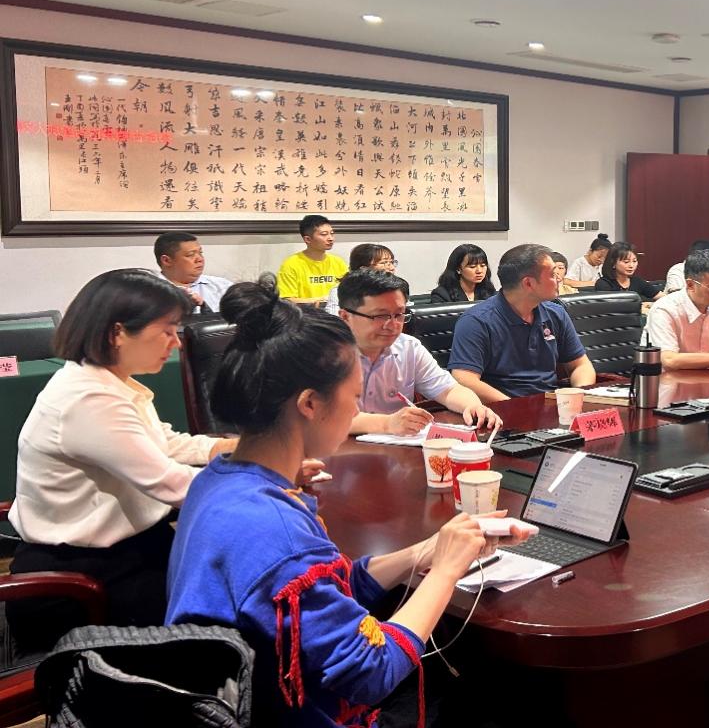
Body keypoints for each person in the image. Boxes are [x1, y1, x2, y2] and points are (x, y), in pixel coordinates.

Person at [165, 280, 533, 727]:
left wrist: (425, 551)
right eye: (354, 397)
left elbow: (331, 588)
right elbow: (371, 672)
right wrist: (446, 572)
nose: (357, 409)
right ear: (309, 404)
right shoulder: (274, 528)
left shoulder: (219, 480)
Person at [6, 269, 239, 653]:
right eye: (167, 331)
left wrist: (235, 449)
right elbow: (170, 483)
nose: (176, 343)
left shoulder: (107, 382)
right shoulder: (89, 399)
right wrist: (262, 476)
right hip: (82, 580)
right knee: (226, 612)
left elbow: (165, 443)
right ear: (117, 333)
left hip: (126, 550)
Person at [337, 268, 500, 435]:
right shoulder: (325, 354)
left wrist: (473, 406)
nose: (393, 325)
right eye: (381, 316)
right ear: (345, 317)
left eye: (399, 314)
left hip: (398, 445)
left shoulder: (408, 347)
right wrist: (387, 424)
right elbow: (325, 418)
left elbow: (448, 390)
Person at [448, 243, 596, 403]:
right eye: (552, 274)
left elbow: (580, 365)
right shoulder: (476, 321)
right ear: (528, 283)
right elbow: (464, 379)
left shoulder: (556, 313)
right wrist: (515, 406)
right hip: (502, 408)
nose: (559, 279)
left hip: (552, 404)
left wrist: (578, 394)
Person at [276, 214, 348, 305]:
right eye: (324, 234)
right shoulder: (291, 264)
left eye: (332, 233)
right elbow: (286, 300)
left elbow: (349, 293)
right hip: (305, 313)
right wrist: (319, 301)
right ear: (308, 239)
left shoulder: (338, 262)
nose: (330, 238)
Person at [154, 230, 233, 312]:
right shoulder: (150, 292)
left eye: (200, 253)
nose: (200, 259)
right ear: (166, 260)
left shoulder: (222, 286)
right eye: (190, 255)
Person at [324, 243, 398, 315]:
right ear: (364, 269)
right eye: (384, 262)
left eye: (391, 262)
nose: (392, 268)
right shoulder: (340, 291)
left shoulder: (397, 289)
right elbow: (334, 319)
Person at [593, 241, 665, 310]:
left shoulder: (637, 281)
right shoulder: (603, 284)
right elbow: (610, 308)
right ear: (613, 263)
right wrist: (640, 306)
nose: (631, 265)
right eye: (626, 262)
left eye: (634, 261)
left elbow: (664, 297)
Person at [431, 243, 496, 302]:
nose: (479, 271)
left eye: (483, 265)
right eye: (472, 267)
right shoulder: (442, 295)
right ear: (458, 269)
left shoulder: (489, 290)